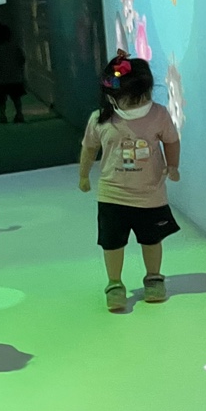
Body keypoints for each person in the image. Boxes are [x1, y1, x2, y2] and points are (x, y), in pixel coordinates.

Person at [79, 51, 181, 312]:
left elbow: (171, 141)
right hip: (112, 195)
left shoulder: (158, 115)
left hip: (151, 194)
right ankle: (114, 284)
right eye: (132, 100)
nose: (140, 104)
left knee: (152, 240)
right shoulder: (99, 120)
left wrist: (173, 166)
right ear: (112, 97)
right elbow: (89, 148)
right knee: (112, 243)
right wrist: (83, 175)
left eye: (144, 97)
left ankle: (154, 278)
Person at [0, 24, 27, 124]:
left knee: (2, 99)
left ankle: (3, 115)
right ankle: (19, 114)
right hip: (16, 77)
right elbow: (22, 59)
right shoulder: (15, 47)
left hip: (2, 79)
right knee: (16, 98)